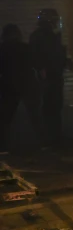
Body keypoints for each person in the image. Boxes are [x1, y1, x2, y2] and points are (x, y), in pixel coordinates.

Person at [30, 8, 71, 147]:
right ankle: (52, 141)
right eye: (54, 20)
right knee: (51, 109)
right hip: (50, 79)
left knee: (52, 108)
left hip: (51, 78)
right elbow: (40, 58)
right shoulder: (46, 37)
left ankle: (54, 140)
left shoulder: (45, 36)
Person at [0, 24, 42, 152]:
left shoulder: (2, 49)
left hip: (8, 85)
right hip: (27, 83)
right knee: (35, 115)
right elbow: (36, 63)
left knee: (5, 117)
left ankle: (2, 146)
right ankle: (44, 143)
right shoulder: (25, 48)